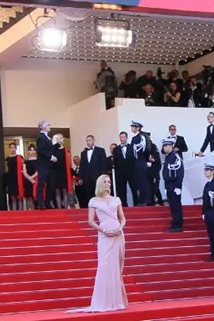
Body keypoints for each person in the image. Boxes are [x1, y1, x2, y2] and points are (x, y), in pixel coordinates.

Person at [70, 174, 127, 313]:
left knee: (116, 267)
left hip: (118, 234)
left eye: (109, 182)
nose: (108, 184)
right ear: (100, 184)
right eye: (105, 182)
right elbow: (91, 221)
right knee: (104, 265)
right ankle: (102, 301)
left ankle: (116, 301)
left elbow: (123, 218)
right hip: (104, 235)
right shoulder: (93, 201)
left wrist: (120, 228)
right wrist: (104, 230)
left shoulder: (116, 199)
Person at [78, 135, 108, 209]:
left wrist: (102, 176)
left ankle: (100, 207)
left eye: (90, 140)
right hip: (87, 177)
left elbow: (103, 164)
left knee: (98, 192)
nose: (88, 142)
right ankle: (91, 207)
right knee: (88, 193)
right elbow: (82, 166)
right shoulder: (83, 153)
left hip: (97, 176)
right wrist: (80, 177)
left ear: (94, 140)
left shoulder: (100, 150)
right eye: (87, 140)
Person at [160, 138, 183, 232]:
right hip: (169, 185)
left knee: (176, 206)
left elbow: (180, 172)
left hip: (174, 185)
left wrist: (178, 186)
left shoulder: (175, 157)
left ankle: (177, 225)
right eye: (164, 146)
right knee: (172, 206)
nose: (165, 148)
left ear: (172, 146)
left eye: (167, 145)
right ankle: (175, 224)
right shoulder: (168, 157)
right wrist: (165, 187)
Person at [129, 121, 153, 207]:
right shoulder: (134, 137)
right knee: (139, 181)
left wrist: (147, 160)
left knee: (143, 181)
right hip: (136, 162)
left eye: (133, 126)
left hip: (141, 160)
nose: (132, 128)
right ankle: (142, 199)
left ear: (138, 128)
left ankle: (146, 199)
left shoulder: (141, 137)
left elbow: (146, 149)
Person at [112, 132, 138, 207]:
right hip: (120, 173)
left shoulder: (132, 147)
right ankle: (124, 206)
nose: (122, 139)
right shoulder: (116, 149)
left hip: (131, 172)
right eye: (121, 137)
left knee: (134, 188)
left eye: (123, 137)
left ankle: (136, 204)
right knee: (122, 190)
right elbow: (115, 162)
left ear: (126, 138)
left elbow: (134, 160)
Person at [36, 120, 56, 210]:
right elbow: (41, 150)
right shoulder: (41, 137)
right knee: (41, 183)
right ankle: (40, 202)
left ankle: (48, 202)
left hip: (49, 166)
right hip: (43, 165)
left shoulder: (47, 137)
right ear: (43, 127)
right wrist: (51, 157)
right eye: (48, 125)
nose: (49, 126)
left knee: (51, 184)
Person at [5, 143, 25, 210]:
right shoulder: (7, 159)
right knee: (13, 197)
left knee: (19, 197)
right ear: (9, 149)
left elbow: (23, 168)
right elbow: (7, 170)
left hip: (18, 179)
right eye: (11, 148)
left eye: (14, 147)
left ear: (16, 148)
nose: (13, 149)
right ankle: (14, 213)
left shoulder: (20, 157)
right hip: (11, 180)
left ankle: (21, 214)